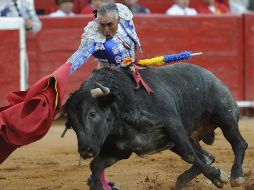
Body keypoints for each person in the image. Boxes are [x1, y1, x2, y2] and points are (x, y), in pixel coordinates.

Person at [68, 3, 141, 75]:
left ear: (118, 19)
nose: (106, 30)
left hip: (134, 73)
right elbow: (76, 60)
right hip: (108, 79)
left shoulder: (124, 17)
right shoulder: (93, 36)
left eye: (110, 25)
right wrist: (58, 79)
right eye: (102, 25)